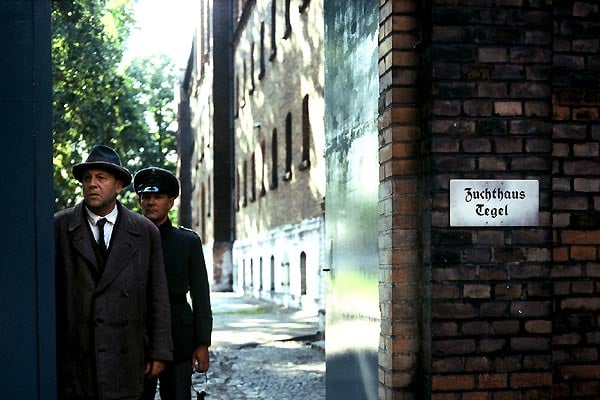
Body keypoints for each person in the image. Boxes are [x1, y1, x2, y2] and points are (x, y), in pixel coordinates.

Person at [54, 145, 173, 400]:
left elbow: (158, 295)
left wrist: (159, 351)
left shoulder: (144, 231)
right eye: (87, 178)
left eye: (101, 178)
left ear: (118, 186)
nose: (92, 185)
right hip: (77, 360)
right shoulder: (60, 227)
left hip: (128, 357)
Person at [134, 167, 213, 400]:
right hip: (139, 336)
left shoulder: (187, 241)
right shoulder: (129, 238)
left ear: (170, 202)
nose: (150, 202)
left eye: (157, 197)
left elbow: (200, 294)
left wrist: (202, 342)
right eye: (146, 197)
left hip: (178, 335)